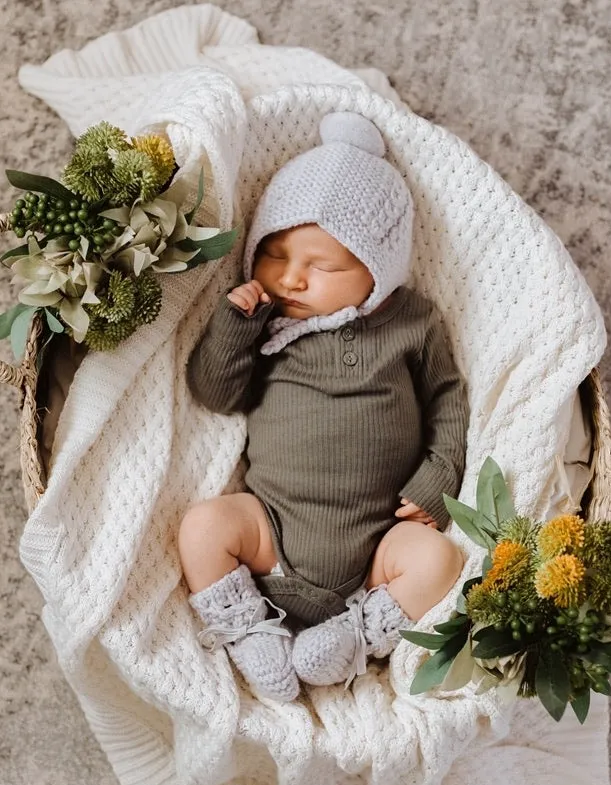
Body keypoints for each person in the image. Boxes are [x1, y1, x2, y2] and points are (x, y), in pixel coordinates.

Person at [181, 112, 469, 701]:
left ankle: (358, 635)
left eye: (323, 266)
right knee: (205, 525)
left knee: (437, 558)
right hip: (271, 536)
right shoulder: (265, 323)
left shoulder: (411, 322)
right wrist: (234, 329)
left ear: (377, 270)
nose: (291, 280)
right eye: (275, 255)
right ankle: (245, 629)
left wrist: (439, 477)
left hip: (376, 554)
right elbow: (214, 392)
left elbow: (447, 398)